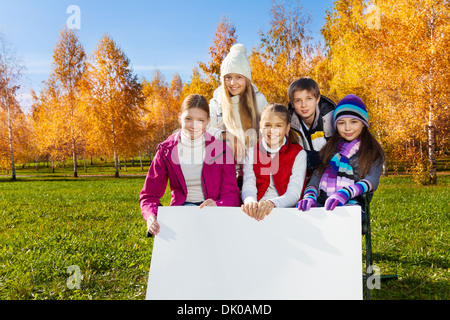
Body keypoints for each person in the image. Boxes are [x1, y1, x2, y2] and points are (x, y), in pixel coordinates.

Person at [139, 94, 240, 235]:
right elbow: (149, 194)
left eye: (200, 120)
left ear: (207, 122)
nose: (194, 125)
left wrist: (218, 204)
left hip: (214, 211)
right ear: (179, 117)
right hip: (183, 211)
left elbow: (231, 194)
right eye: (188, 119)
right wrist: (152, 216)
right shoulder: (166, 151)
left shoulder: (222, 151)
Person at [297, 94, 385, 213]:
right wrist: (310, 194)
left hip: (353, 203)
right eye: (341, 123)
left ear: (363, 123)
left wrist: (345, 193)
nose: (347, 128)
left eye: (353, 122)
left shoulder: (372, 151)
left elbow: (371, 181)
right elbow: (317, 175)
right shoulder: (330, 148)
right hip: (322, 200)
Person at [208, 43, 268, 187]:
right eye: (228, 77)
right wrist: (228, 136)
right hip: (226, 170)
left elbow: (270, 127)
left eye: (238, 77)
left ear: (247, 79)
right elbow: (205, 130)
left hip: (254, 169)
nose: (233, 83)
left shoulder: (259, 100)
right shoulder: (217, 102)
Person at [241, 103, 307, 221]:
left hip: (285, 210)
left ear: (287, 128)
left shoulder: (298, 154)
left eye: (278, 125)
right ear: (260, 127)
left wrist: (272, 203)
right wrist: (250, 202)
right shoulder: (252, 152)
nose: (272, 131)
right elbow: (248, 184)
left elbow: (294, 193)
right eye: (267, 125)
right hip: (256, 208)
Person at [286, 77, 336, 176]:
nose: (304, 105)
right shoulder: (289, 125)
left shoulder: (330, 119)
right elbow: (291, 156)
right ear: (292, 103)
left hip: (331, 171)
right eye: (298, 101)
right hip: (304, 174)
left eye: (309, 99)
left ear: (317, 99)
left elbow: (338, 151)